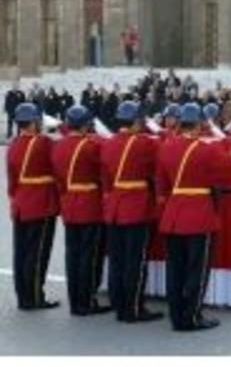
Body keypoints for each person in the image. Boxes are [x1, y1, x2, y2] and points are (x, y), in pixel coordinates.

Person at [156, 103, 231, 331]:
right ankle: (191, 316)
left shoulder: (167, 147)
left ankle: (176, 315)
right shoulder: (206, 150)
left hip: (173, 214)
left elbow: (162, 184)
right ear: (198, 125)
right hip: (199, 214)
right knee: (197, 268)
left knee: (175, 269)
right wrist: (228, 141)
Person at [100, 100, 163, 323]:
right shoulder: (144, 143)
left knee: (117, 259)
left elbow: (105, 178)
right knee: (135, 261)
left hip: (115, 206)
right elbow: (164, 155)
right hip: (136, 206)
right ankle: (133, 308)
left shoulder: (108, 143)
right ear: (137, 122)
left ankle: (118, 302)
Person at [50, 105, 112, 316]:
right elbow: (105, 168)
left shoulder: (58, 146)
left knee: (72, 255)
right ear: (86, 125)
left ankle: (75, 300)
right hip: (89, 204)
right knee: (89, 256)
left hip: (69, 204)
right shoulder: (92, 145)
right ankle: (86, 300)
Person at [6, 103, 61, 310]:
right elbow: (58, 164)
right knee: (37, 254)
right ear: (33, 122)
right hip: (41, 203)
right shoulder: (43, 143)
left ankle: (23, 296)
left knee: (21, 252)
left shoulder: (13, 144)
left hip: (21, 202)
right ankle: (35, 297)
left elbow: (12, 181)